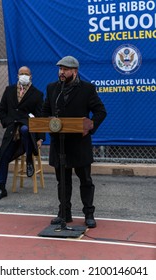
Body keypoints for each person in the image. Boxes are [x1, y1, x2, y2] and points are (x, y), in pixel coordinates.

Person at [42, 56, 107, 228]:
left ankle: (89, 213)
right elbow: (45, 111)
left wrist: (90, 127)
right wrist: (48, 120)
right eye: (60, 69)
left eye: (65, 69)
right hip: (59, 144)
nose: (61, 72)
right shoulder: (52, 88)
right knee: (62, 181)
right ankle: (64, 213)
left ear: (74, 71)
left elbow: (100, 111)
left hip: (79, 143)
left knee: (85, 180)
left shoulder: (87, 89)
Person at [0, 66, 45, 201]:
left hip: (28, 135)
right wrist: (9, 122)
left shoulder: (37, 94)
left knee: (24, 129)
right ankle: (1, 188)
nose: (23, 76)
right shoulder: (9, 91)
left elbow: (40, 117)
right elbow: (1, 111)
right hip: (12, 133)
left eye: (26, 74)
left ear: (31, 76)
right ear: (17, 75)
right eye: (21, 73)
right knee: (3, 156)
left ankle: (29, 161)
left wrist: (40, 138)